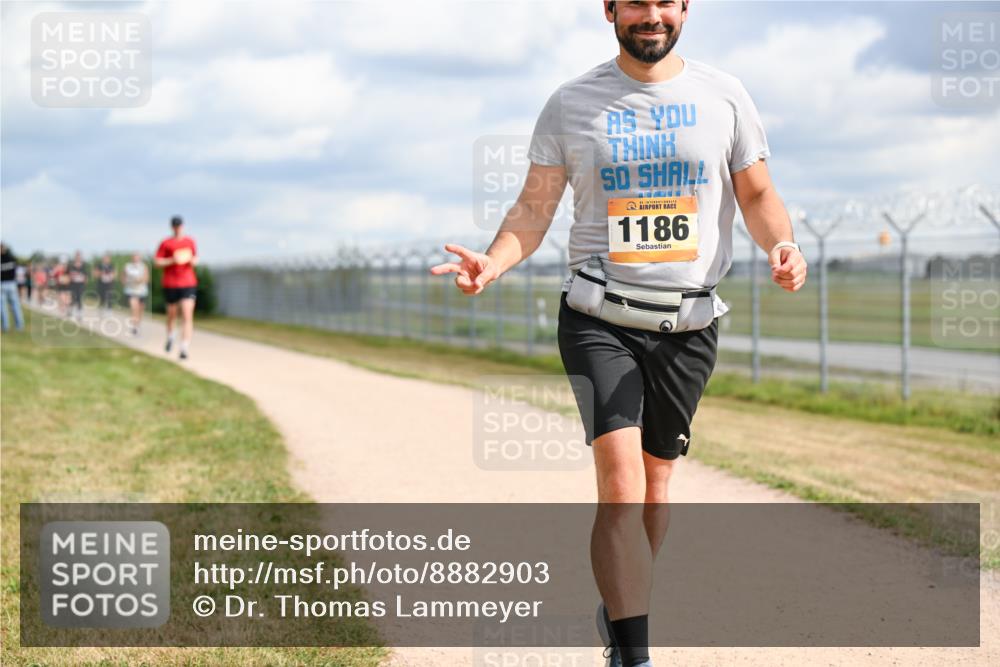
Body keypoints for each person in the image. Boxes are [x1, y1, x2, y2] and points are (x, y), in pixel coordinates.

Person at [431, 3, 808, 666]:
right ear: (609, 9)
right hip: (598, 317)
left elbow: (756, 194)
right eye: (635, 0)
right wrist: (492, 261)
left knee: (657, 486)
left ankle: (623, 603)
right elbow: (534, 207)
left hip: (687, 322)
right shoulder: (572, 102)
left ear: (686, 8)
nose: (651, 14)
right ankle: (635, 655)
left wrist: (784, 244)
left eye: (666, 0)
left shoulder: (724, 96)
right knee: (622, 483)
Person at [155, 215, 198, 360]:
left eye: (179, 225)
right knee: (172, 315)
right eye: (175, 225)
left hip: (188, 283)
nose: (177, 228)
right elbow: (157, 262)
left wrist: (191, 260)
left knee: (187, 314)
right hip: (171, 283)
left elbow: (195, 258)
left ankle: (184, 347)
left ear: (182, 226)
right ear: (172, 227)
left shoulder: (190, 241)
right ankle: (171, 336)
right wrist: (173, 260)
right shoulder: (166, 243)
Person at [122, 252, 149, 335]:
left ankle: (138, 324)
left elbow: (146, 278)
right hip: (131, 290)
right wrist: (126, 282)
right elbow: (123, 276)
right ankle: (134, 326)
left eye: (137, 257)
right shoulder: (127, 266)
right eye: (134, 257)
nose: (135, 258)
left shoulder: (143, 266)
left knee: (140, 309)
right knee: (134, 308)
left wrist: (139, 280)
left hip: (141, 291)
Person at [0, 242, 25, 332]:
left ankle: (5, 326)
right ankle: (19, 326)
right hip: (12, 284)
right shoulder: (11, 258)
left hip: (2, 284)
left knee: (3, 307)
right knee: (15, 306)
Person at [67, 251, 89, 320]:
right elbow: (68, 274)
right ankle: (70, 311)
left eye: (79, 256)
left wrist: (85, 283)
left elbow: (86, 276)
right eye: (77, 256)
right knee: (73, 298)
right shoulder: (71, 266)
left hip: (80, 285)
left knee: (79, 298)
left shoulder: (84, 266)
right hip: (73, 284)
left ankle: (79, 314)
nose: (78, 258)